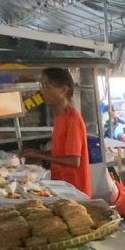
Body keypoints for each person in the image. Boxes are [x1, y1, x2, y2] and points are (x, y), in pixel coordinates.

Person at [21, 68, 91, 197]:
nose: (42, 92)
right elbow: (61, 153)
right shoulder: (60, 117)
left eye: (47, 87)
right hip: (61, 187)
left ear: (64, 90)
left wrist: (41, 156)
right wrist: (37, 152)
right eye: (42, 86)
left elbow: (73, 161)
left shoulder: (73, 119)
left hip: (74, 192)